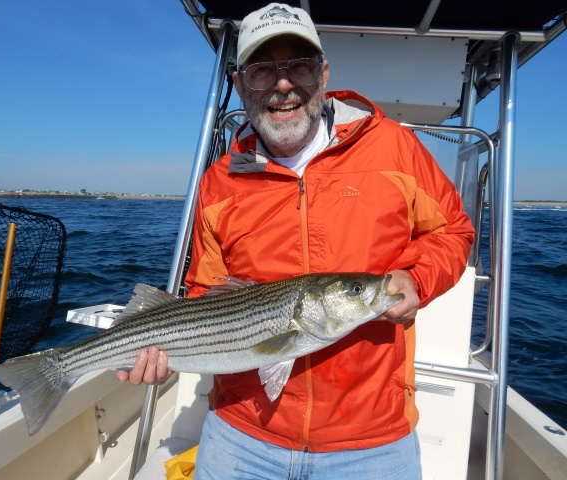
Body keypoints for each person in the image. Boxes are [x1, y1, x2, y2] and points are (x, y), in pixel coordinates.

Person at [118, 3, 474, 478]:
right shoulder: (219, 181)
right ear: (242, 84)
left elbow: (454, 230)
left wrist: (416, 278)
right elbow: (206, 294)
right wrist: (166, 351)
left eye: (299, 66)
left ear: (323, 73)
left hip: (372, 441)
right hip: (241, 432)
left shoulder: (394, 147)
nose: (283, 85)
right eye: (263, 70)